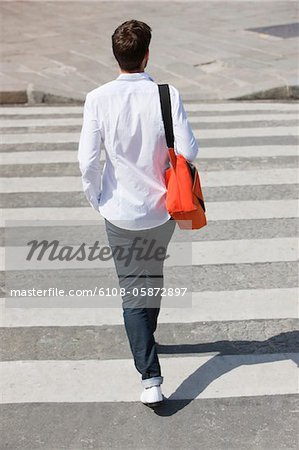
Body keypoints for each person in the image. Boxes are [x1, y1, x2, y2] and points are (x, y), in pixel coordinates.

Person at [78, 19, 199, 408]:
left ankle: (151, 378)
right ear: (147, 55)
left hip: (119, 211)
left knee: (134, 291)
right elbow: (190, 150)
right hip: (162, 209)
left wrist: (96, 198)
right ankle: (147, 338)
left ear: (117, 57)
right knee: (150, 279)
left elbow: (87, 161)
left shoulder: (97, 98)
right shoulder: (167, 94)